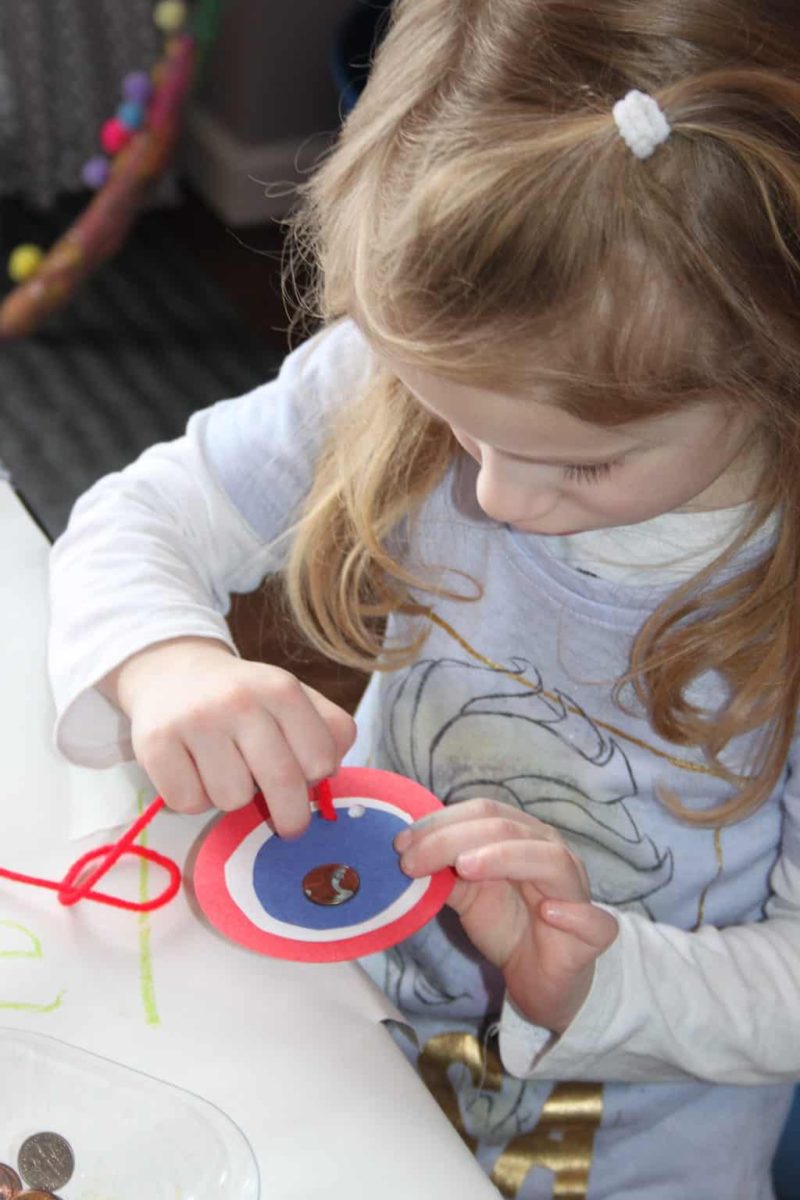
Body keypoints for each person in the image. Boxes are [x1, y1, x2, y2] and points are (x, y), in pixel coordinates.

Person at [48, 1, 800, 1196]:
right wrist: (166, 664)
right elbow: (139, 518)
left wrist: (596, 980)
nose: (495, 495)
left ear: (771, 359)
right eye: (458, 427)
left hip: (632, 1150)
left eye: (584, 465)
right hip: (351, 1028)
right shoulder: (425, 374)